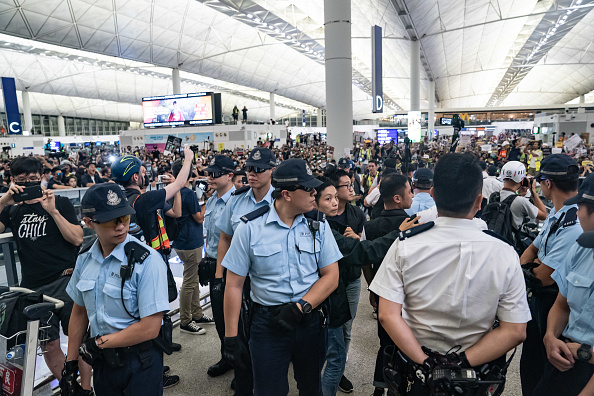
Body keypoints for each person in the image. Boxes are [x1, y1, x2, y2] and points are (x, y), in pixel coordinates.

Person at [370, 153, 531, 395]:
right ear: (479, 201)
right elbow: (515, 331)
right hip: (476, 375)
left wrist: (426, 364)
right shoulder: (504, 252)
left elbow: (387, 315)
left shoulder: (405, 245)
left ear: (433, 195)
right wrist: (460, 363)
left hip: (417, 373)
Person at [222, 158, 342, 395]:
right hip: (268, 325)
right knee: (269, 390)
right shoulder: (250, 228)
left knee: (311, 387)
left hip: (309, 321)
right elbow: (234, 285)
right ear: (286, 194)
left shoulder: (318, 225)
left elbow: (331, 276)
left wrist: (301, 307)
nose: (314, 193)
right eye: (308, 189)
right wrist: (231, 336)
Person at [63, 184, 169, 396]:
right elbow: (79, 311)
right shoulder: (85, 259)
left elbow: (150, 327)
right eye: (112, 221)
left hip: (141, 361)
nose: (121, 226)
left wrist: (98, 343)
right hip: (103, 362)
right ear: (89, 222)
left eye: (125, 218)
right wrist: (70, 363)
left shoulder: (147, 261)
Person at [0, 157, 92, 393]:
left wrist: (52, 212)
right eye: (21, 181)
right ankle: (72, 390)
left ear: (42, 177)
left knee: (78, 342)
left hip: (66, 281)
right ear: (12, 181)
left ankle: (88, 388)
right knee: (49, 345)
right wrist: (3, 201)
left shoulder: (59, 202)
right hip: (33, 289)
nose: (28, 185)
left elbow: (77, 238)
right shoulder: (12, 210)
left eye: (32, 180)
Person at [519, 154, 583, 395]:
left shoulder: (574, 223)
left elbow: (543, 277)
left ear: (547, 183)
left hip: (554, 303)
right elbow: (531, 250)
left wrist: (530, 266)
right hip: (539, 302)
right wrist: (532, 264)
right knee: (531, 366)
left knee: (543, 374)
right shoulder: (558, 214)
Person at [216, 148, 276, 395]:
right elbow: (225, 237)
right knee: (239, 336)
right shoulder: (237, 199)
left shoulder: (282, 200)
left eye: (259, 170)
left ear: (272, 170)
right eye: (249, 169)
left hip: (268, 280)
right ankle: (243, 384)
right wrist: (219, 277)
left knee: (267, 343)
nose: (252, 174)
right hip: (238, 280)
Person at [534, 173, 594, 395]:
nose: (576, 214)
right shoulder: (581, 248)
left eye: (579, 208)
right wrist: (550, 337)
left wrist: (585, 353)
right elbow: (562, 304)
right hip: (567, 360)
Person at [359, 174, 413, 396]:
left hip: (383, 294)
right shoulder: (415, 224)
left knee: (386, 343)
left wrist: (373, 287)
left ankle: (379, 387)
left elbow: (365, 259)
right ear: (398, 198)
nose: (413, 194)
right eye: (410, 191)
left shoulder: (370, 227)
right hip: (410, 295)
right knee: (407, 341)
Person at [324, 166, 366, 393]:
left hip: (350, 278)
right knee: (326, 329)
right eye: (346, 185)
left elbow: (362, 246)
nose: (352, 189)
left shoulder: (357, 214)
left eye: (351, 184)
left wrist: (357, 239)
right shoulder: (320, 216)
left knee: (346, 329)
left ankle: (338, 370)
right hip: (326, 282)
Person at [202, 155, 236, 378]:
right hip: (214, 263)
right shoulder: (213, 198)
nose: (209, 178)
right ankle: (227, 357)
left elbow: (232, 239)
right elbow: (211, 235)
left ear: (230, 176)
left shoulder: (237, 201)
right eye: (208, 173)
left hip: (231, 268)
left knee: (236, 320)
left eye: (215, 174)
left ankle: (241, 365)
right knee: (219, 318)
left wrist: (221, 272)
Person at [170, 160, 213, 336]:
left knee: (193, 279)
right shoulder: (187, 193)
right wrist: (207, 201)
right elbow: (199, 218)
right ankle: (186, 320)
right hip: (190, 242)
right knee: (189, 282)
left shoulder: (173, 191)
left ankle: (197, 313)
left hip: (181, 241)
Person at [499, 161, 547, 231]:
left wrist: (518, 195)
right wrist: (532, 190)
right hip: (512, 240)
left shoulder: (495, 195)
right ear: (522, 180)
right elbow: (544, 215)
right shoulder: (521, 201)